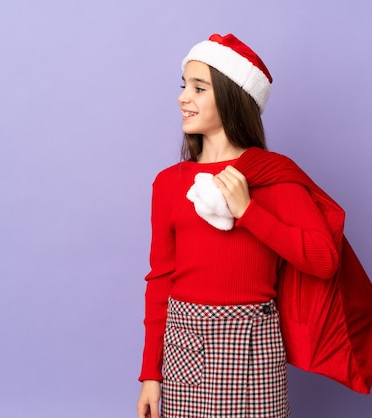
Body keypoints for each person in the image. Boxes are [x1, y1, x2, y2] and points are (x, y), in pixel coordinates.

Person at [137, 33, 341, 418]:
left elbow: (324, 261)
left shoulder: (274, 176)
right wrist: (151, 375)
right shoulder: (169, 183)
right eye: (184, 87)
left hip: (252, 346)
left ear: (231, 98)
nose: (184, 98)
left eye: (199, 88)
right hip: (185, 347)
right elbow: (160, 279)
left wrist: (249, 213)